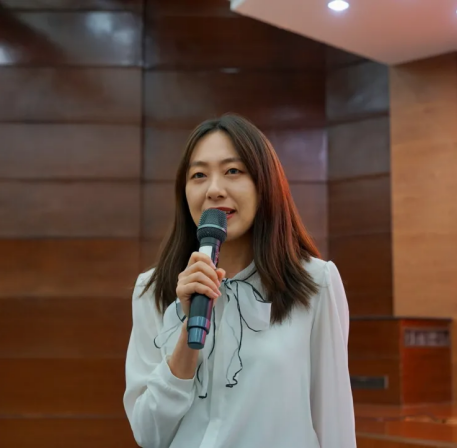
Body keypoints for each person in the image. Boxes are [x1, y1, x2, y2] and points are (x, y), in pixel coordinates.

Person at [123, 114, 356, 448]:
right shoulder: (153, 289)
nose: (214, 190)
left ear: (264, 184)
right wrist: (188, 331)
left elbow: (334, 423)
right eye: (199, 175)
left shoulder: (316, 283)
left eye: (233, 171)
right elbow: (149, 435)